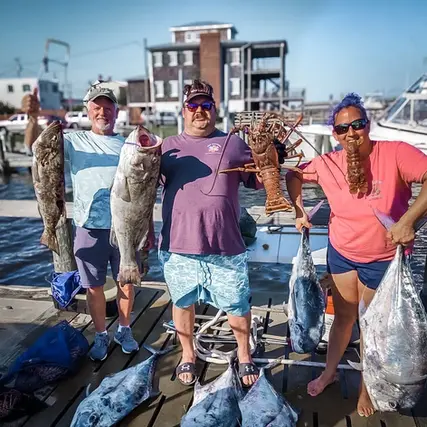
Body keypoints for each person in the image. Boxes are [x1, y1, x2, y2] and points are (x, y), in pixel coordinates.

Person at [285, 93, 427, 417]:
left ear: (368, 125)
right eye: (342, 128)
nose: (351, 132)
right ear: (334, 134)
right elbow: (293, 174)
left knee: (372, 328)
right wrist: (297, 209)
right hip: (342, 255)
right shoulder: (327, 163)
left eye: (357, 124)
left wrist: (408, 221)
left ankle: (368, 388)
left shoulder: (394, 154)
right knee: (345, 318)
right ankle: (329, 372)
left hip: (383, 261)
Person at [158, 79, 287, 387]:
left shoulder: (234, 143)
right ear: (184, 111)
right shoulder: (166, 147)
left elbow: (258, 181)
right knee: (182, 302)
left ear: (215, 110)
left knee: (238, 305)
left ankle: (244, 356)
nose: (199, 111)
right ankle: (187, 354)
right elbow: (142, 184)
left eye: (206, 105)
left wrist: (273, 157)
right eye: (193, 106)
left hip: (225, 244)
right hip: (178, 244)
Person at [22, 82, 152, 361]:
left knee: (126, 282)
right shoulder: (73, 140)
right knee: (93, 286)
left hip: (126, 227)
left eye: (108, 107)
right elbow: (34, 146)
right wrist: (32, 119)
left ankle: (125, 329)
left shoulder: (128, 145)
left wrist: (148, 229)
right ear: (88, 110)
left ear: (117, 112)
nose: (102, 112)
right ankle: (102, 334)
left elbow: (145, 194)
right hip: (88, 227)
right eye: (97, 107)